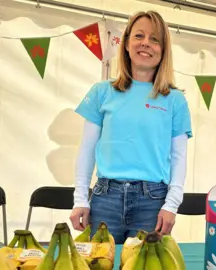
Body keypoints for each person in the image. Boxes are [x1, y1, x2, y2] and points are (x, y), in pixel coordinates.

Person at [69, 10, 193, 245]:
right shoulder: (101, 92)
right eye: (139, 36)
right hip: (105, 199)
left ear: (163, 50)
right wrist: (80, 199)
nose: (146, 43)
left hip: (153, 202)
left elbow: (179, 157)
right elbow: (87, 149)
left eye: (155, 39)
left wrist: (172, 204)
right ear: (126, 43)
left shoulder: (175, 99)